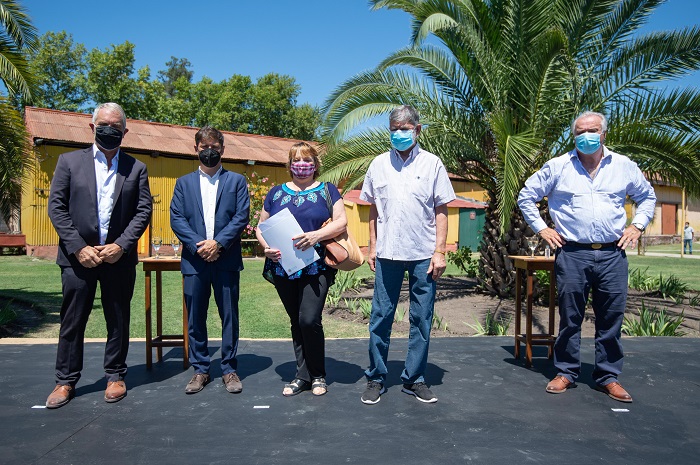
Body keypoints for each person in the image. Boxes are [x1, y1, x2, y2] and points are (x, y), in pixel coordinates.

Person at [518, 111, 656, 403]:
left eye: (592, 130)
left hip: (612, 254)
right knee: (570, 317)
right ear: (574, 135)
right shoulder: (558, 167)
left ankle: (608, 376)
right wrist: (542, 229)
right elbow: (526, 196)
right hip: (573, 254)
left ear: (604, 133)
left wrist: (637, 225)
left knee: (611, 318)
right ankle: (566, 372)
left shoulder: (624, 166)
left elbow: (647, 197)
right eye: (580, 131)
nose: (586, 136)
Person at [46, 102, 152, 409]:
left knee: (118, 318)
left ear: (124, 132)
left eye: (116, 127)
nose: (110, 131)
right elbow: (57, 208)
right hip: (78, 259)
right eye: (104, 125)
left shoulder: (136, 168)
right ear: (92, 127)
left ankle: (116, 375)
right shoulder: (68, 163)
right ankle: (65, 381)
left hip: (117, 258)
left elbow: (143, 211)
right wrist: (79, 247)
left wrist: (121, 246)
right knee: (72, 320)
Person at [359, 105, 455, 404]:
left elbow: (441, 208)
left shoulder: (432, 164)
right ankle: (376, 377)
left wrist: (439, 251)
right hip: (388, 252)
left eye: (405, 128)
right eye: (394, 128)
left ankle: (415, 378)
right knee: (380, 317)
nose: (399, 133)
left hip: (423, 254)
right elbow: (373, 208)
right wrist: (372, 246)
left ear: (418, 129)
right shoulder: (378, 164)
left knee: (421, 318)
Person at [255, 142, 347, 397]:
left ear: (315, 165)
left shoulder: (328, 191)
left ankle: (318, 375)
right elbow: (261, 227)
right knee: (296, 321)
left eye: (306, 160)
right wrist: (265, 248)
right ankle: (302, 376)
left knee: (309, 319)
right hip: (284, 266)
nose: (301, 164)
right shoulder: (275, 193)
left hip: (316, 267)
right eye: (296, 160)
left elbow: (341, 222)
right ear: (289, 164)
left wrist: (316, 236)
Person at [170, 126, 250, 395]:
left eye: (214, 146)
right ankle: (200, 369)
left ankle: (229, 368)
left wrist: (218, 243)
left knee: (229, 315)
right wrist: (198, 246)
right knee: (196, 318)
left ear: (222, 149)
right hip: (195, 262)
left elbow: (241, 217)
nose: (209, 151)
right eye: (204, 146)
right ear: (195, 149)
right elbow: (177, 219)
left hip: (226, 260)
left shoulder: (237, 181)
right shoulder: (183, 183)